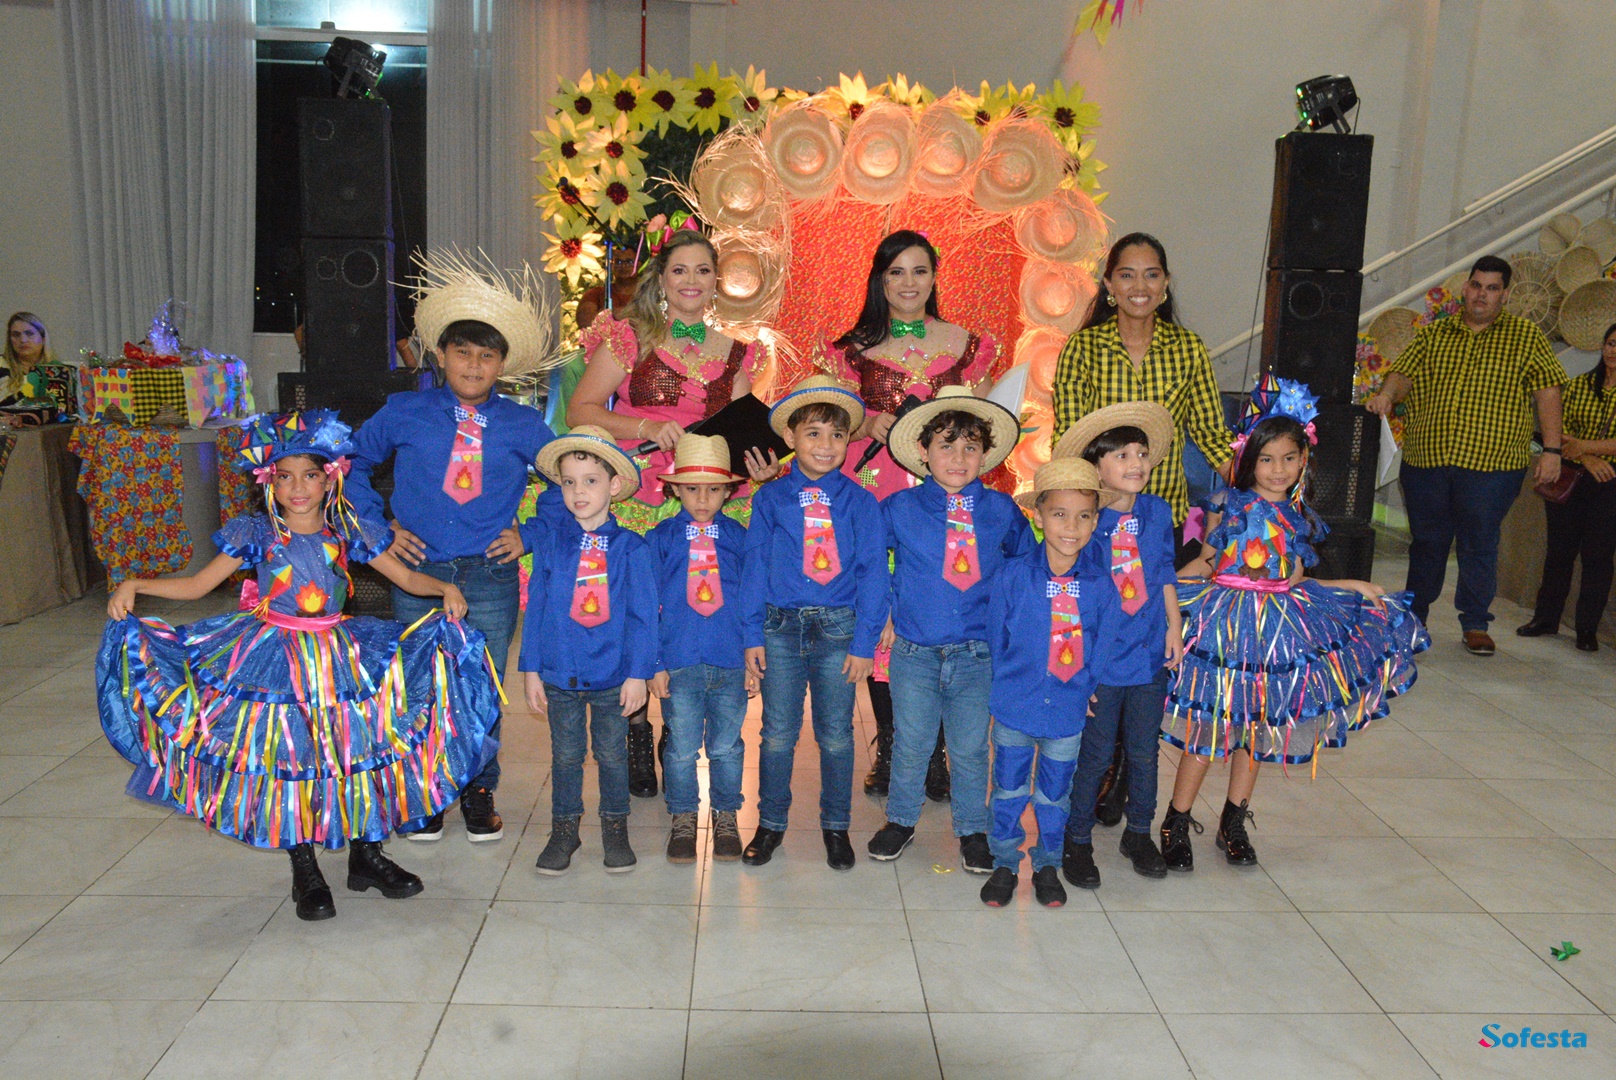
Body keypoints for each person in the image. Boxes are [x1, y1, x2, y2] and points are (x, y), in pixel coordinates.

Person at [94, 411, 501, 922]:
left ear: (330, 478)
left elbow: (405, 577)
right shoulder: (257, 533)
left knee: (358, 749)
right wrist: (136, 584)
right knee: (293, 755)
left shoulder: (348, 531)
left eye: (310, 475)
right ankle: (304, 868)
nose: (298, 488)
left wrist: (443, 588)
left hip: (341, 656)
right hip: (275, 662)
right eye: (284, 477)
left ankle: (366, 855)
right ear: (269, 482)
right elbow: (198, 585)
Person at [1163, 377, 1430, 871]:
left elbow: (1296, 580)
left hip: (1276, 635)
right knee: (1208, 729)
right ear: (1248, 459)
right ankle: (1176, 822)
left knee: (1256, 733)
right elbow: (1205, 564)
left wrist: (1352, 585)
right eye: (1267, 459)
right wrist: (1159, 592)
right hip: (1224, 630)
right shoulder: (1229, 506)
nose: (1278, 469)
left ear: (1304, 458)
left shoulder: (1300, 517)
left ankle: (1233, 822)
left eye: (1289, 458)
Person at [348, 254, 557, 845]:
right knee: (419, 684)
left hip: (490, 574)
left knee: (481, 685)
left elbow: (568, 480)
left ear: (502, 364)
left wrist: (530, 535)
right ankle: (425, 791)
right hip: (417, 569)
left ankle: (477, 788)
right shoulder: (405, 411)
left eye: (486, 355)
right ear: (440, 355)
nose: (473, 364)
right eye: (462, 352)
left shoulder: (522, 424)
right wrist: (379, 530)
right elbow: (350, 464)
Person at [567, 228, 771, 800]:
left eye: (703, 270)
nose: (691, 281)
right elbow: (580, 409)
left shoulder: (738, 353)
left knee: (693, 618)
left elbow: (743, 433)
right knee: (635, 618)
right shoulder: (628, 338)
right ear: (661, 278)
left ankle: (673, 728)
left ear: (717, 282)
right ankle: (636, 733)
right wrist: (645, 426)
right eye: (680, 269)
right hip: (639, 501)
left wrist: (759, 468)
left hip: (706, 507)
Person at [1049, 233, 1233, 832]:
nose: (1139, 286)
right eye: (1126, 275)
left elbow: (1210, 429)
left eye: (1151, 274)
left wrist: (1260, 481)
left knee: (1149, 649)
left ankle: (1128, 776)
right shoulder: (1084, 346)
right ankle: (1099, 767)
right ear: (1108, 285)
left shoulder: (1188, 347)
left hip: (1162, 519)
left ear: (1166, 283)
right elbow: (1069, 434)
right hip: (1095, 524)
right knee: (1104, 644)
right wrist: (1070, 517)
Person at [816, 230, 999, 802]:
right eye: (896, 271)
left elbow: (985, 423)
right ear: (879, 279)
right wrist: (864, 420)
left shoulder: (968, 345)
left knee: (943, 606)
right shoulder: (850, 350)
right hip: (878, 491)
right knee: (883, 608)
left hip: (950, 496)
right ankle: (894, 745)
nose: (909, 282)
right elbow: (829, 422)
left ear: (935, 276)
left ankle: (938, 751)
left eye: (920, 270)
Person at [864, 386, 1032, 874]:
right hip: (914, 651)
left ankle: (972, 828)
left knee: (970, 747)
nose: (958, 458)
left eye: (970, 447)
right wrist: (886, 611)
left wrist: (1014, 629)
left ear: (985, 454)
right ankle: (900, 820)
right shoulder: (899, 507)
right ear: (923, 451)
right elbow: (869, 563)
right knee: (911, 743)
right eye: (946, 445)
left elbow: (1024, 569)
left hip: (977, 654)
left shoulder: (1002, 511)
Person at [1366, 254, 1568, 656]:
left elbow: (1548, 392)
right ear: (1465, 287)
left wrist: (1552, 450)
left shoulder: (1526, 337)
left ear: (1505, 295)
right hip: (1428, 460)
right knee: (1427, 543)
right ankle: (1414, 619)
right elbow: (1402, 374)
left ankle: (1475, 623)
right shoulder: (1434, 334)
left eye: (1492, 288)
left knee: (1479, 543)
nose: (1482, 295)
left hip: (1492, 467)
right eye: (1476, 285)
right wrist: (1387, 395)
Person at [739, 375, 889, 870]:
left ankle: (836, 825)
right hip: (779, 629)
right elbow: (755, 569)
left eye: (837, 435)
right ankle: (770, 823)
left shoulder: (861, 503)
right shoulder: (770, 499)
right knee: (778, 733)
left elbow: (873, 574)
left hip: (838, 630)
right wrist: (751, 634)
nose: (826, 445)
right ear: (791, 437)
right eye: (813, 434)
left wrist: (864, 643)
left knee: (837, 734)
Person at [1053, 402, 1182, 890]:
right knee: (1096, 753)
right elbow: (1072, 594)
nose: (1136, 463)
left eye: (1142, 453)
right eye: (1122, 455)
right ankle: (1077, 838)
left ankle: (1139, 833)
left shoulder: (1157, 512)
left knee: (1145, 751)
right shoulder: (1085, 522)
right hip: (1100, 660)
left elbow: (1164, 571)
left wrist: (1173, 626)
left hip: (1148, 655)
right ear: (1096, 466)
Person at [520, 426, 658, 875]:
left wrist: (638, 674)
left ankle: (615, 828)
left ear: (614, 486)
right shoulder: (552, 544)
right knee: (565, 756)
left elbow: (643, 616)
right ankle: (564, 830)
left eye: (591, 481)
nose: (579, 491)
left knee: (613, 755)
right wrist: (531, 668)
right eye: (569, 482)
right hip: (559, 673)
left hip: (613, 675)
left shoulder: (632, 548)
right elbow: (537, 605)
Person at [981, 458, 1116, 909]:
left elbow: (1102, 645)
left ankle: (1047, 865)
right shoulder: (1012, 576)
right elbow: (996, 637)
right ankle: (1004, 861)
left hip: (1066, 711)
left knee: (1054, 794)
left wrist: (1084, 686)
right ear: (1038, 516)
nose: (1071, 527)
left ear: (1095, 521)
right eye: (1059, 514)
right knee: (1008, 789)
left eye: (1083, 516)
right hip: (1014, 707)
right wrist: (1008, 683)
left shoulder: (1101, 586)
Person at [646, 434, 751, 863]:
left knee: (727, 746)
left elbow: (753, 601)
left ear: (729, 490)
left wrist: (753, 657)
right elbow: (645, 605)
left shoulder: (741, 539)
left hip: (730, 659)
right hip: (679, 660)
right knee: (681, 747)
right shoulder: (660, 539)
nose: (703, 499)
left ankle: (726, 815)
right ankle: (684, 816)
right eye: (692, 488)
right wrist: (654, 663)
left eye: (713, 489)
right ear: (675, 490)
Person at [1517, 322, 1616, 652]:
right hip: (1571, 474)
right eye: (1611, 343)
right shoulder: (1578, 384)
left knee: (1598, 557)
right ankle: (1546, 618)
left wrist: (1584, 447)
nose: (1614, 350)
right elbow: (1555, 430)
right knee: (1559, 551)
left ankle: (1587, 629)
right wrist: (1587, 456)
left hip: (1610, 483)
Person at [2, 311, 60, 423]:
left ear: (43, 338)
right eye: (16, 335)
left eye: (29, 334)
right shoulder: (2, 366)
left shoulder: (58, 371)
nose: (23, 340)